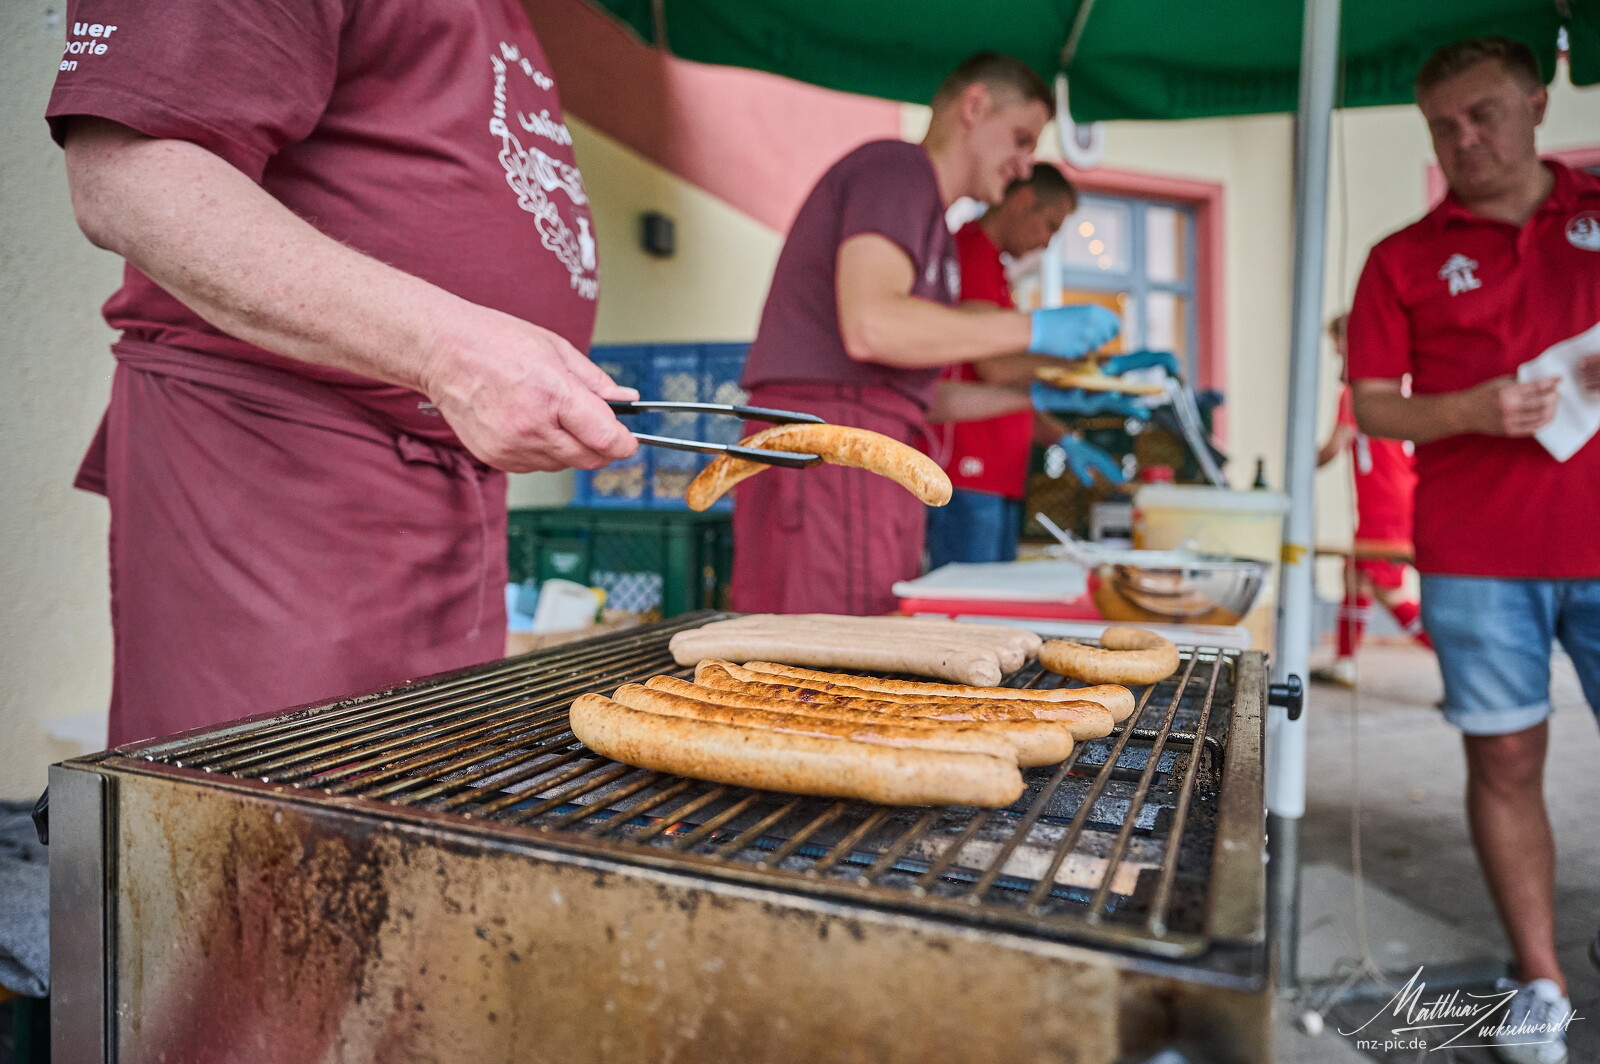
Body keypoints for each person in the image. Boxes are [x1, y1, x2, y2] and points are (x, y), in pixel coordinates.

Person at [47, 1, 638, 746]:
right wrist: (446, 350)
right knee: (265, 795)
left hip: (453, 487)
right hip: (277, 464)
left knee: (424, 788)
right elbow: (127, 176)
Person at [1348, 36, 1600, 1064]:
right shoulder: (1399, 257)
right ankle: (1539, 977)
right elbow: (1372, 403)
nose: (1464, 139)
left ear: (1537, 104)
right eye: (1442, 126)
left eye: (1484, 114)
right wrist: (1471, 409)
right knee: (1502, 756)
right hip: (1477, 550)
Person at [732, 53, 1121, 616]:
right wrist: (1033, 329)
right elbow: (872, 326)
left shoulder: (934, 225)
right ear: (974, 106)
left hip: (872, 453)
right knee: (834, 654)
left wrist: (1031, 397)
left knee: (866, 642)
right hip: (836, 450)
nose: (1023, 167)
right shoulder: (898, 170)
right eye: (1021, 139)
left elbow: (922, 396)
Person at [925, 164, 1081, 568]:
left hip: (997, 477)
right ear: (1024, 201)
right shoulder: (971, 252)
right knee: (972, 604)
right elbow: (995, 366)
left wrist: (1064, 438)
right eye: (1050, 225)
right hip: (965, 475)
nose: (1046, 243)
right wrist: (1074, 366)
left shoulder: (994, 267)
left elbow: (1011, 391)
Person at [1311, 314, 1432, 688]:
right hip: (1402, 494)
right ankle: (1345, 662)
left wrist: (1299, 463)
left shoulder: (1357, 394)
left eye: (1340, 350)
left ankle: (1463, 662)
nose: (1339, 360)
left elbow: (1334, 447)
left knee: (1388, 589)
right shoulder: (1402, 388)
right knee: (1356, 574)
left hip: (1383, 503)